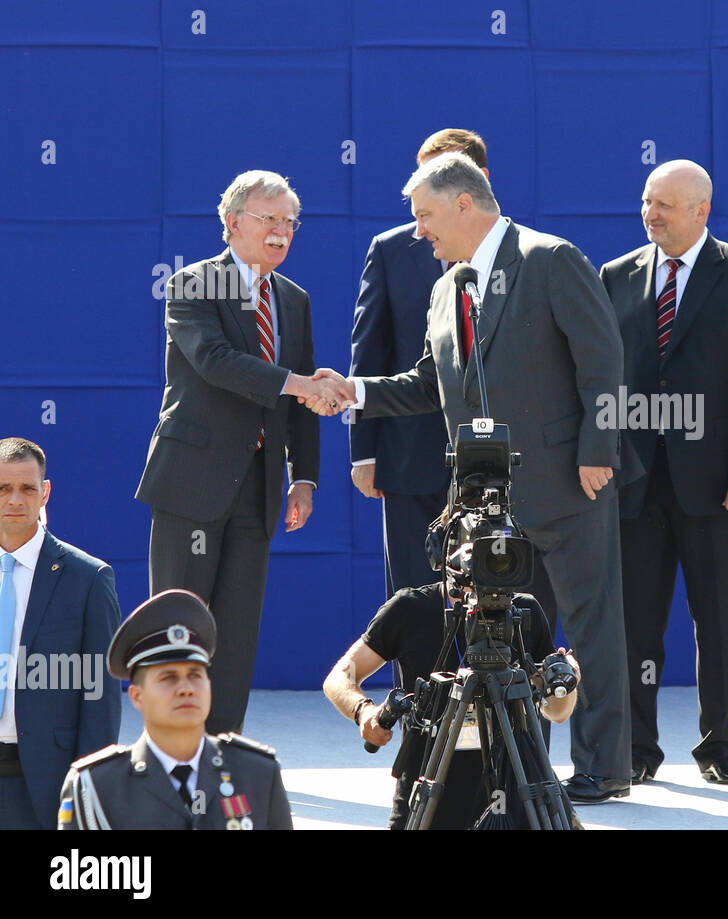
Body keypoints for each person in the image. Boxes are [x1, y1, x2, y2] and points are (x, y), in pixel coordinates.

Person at [308, 153, 633, 803]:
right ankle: (515, 765)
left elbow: (604, 362)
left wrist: (598, 448)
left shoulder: (549, 259)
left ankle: (603, 766)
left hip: (568, 481)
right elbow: (430, 383)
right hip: (484, 500)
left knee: (590, 624)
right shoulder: (444, 288)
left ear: (465, 204)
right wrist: (355, 392)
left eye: (425, 215)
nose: (419, 230)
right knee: (501, 636)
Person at [599, 160, 728, 786]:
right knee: (635, 625)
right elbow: (600, 378)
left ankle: (719, 746)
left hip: (719, 488)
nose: (651, 213)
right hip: (635, 485)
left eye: (665, 205)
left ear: (702, 211)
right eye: (647, 201)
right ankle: (636, 750)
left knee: (718, 619)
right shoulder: (615, 275)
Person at [136, 170, 327, 735]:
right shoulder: (194, 284)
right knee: (179, 620)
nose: (280, 232)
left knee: (237, 628)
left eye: (289, 221)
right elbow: (217, 362)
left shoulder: (293, 299)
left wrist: (306, 477)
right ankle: (171, 744)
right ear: (232, 223)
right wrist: (301, 384)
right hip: (192, 481)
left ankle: (222, 746)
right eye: (267, 219)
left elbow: (300, 396)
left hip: (261, 486)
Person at [349, 129, 489, 601]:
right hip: (408, 457)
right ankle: (412, 680)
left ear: (476, 183)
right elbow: (370, 351)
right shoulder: (390, 250)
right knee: (413, 598)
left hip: (496, 460)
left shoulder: (523, 255)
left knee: (491, 595)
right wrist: (364, 452)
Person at [323, 579, 579, 829]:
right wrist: (363, 711)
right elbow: (340, 677)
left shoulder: (524, 611)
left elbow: (557, 713)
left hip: (517, 785)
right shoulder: (410, 608)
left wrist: (565, 684)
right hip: (430, 786)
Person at [58, 589, 293, 830]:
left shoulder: (259, 774)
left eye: (195, 675)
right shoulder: (96, 786)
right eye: (168, 678)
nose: (186, 689)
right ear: (137, 696)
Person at [0, 437, 121, 829]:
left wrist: (91, 783)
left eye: (26, 488)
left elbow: (99, 695)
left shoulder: (87, 579)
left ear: (45, 492)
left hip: (46, 783)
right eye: (3, 488)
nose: (15, 500)